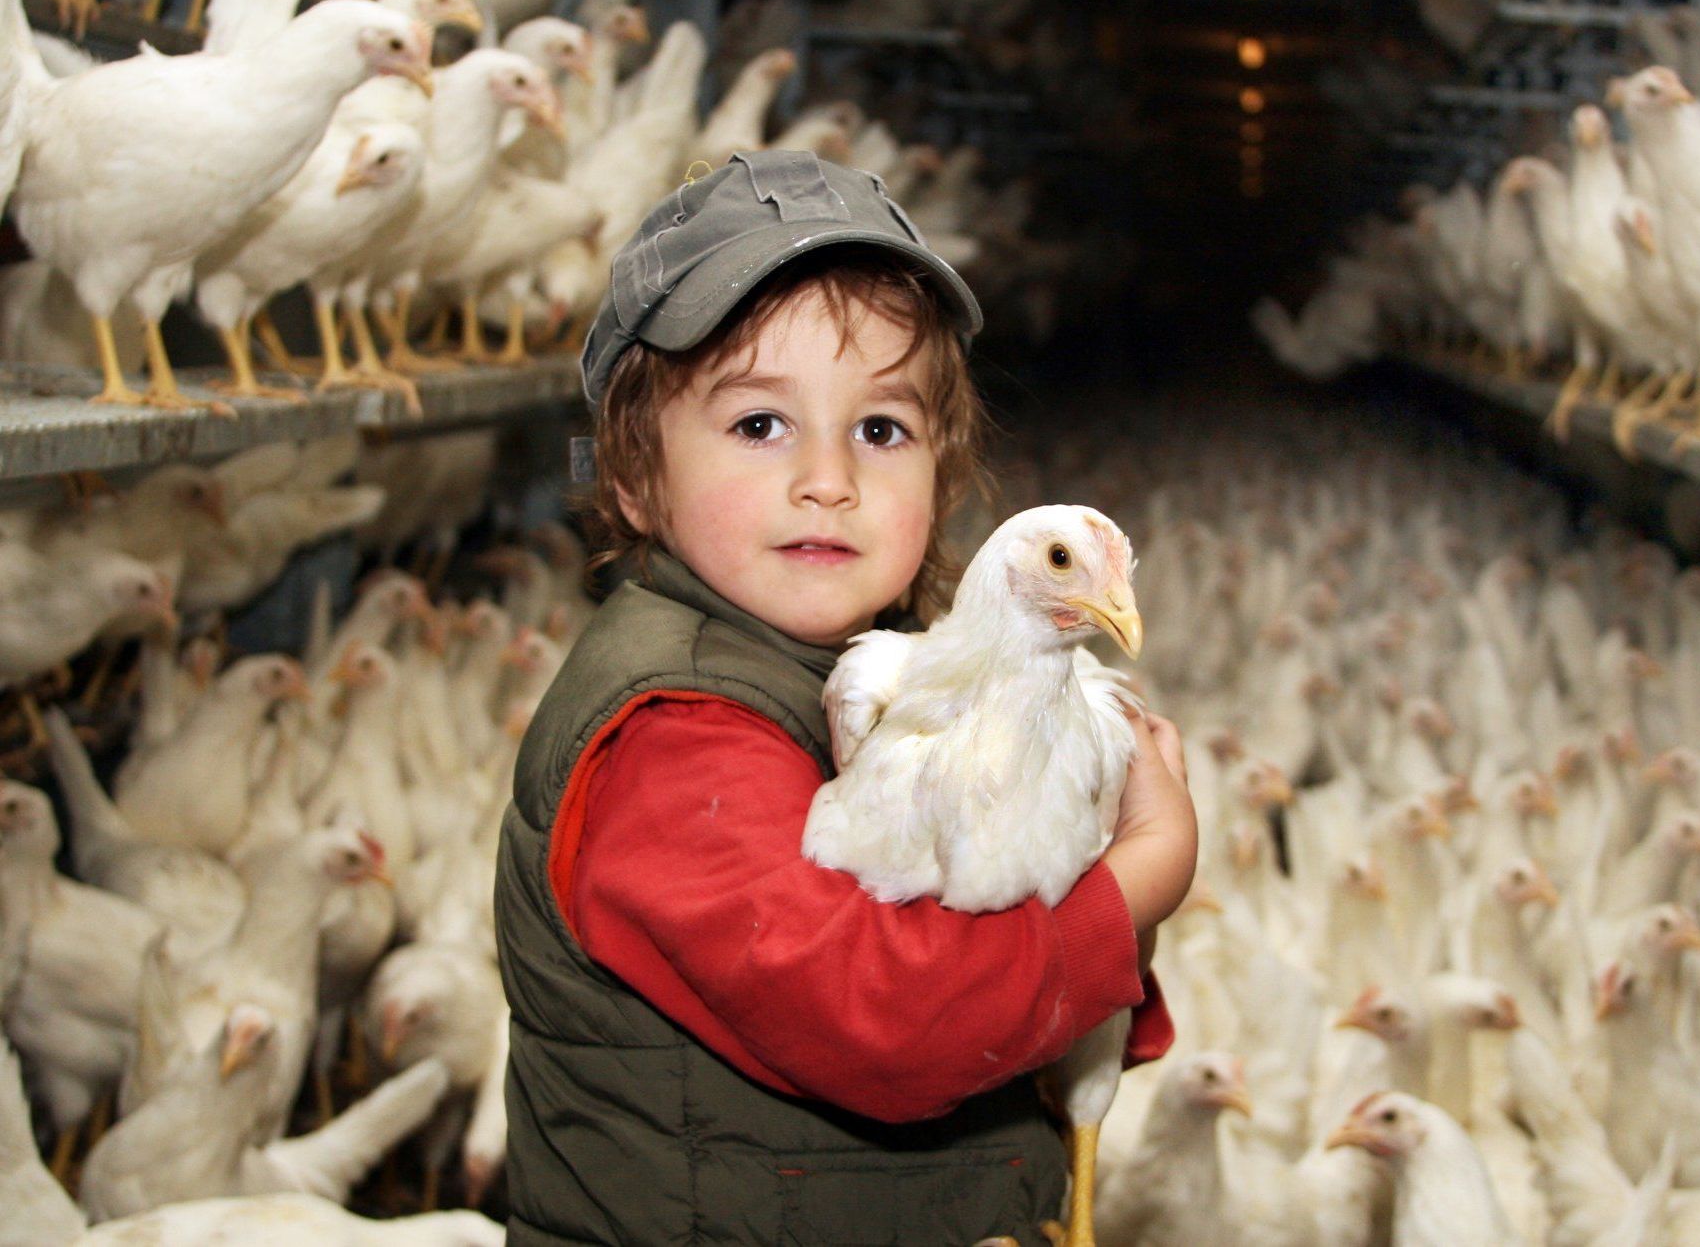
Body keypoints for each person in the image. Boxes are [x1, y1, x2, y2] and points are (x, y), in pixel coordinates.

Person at [496, 149, 1198, 1246]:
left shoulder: (889, 679)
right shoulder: (669, 743)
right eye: (759, 425)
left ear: (942, 476)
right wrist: (1141, 875)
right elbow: (893, 1022)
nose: (828, 479)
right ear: (633, 476)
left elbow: (1009, 980)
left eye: (880, 430)